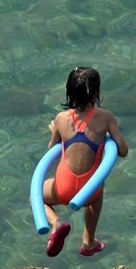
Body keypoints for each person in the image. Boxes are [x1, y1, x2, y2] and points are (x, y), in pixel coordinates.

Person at [40, 67, 129, 257]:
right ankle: (88, 243)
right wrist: (107, 138)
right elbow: (123, 151)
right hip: (89, 192)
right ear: (96, 93)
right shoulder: (106, 118)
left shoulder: (61, 119)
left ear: (68, 92)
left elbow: (51, 150)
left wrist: (55, 132)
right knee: (98, 187)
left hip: (62, 189)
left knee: (35, 198)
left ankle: (56, 223)